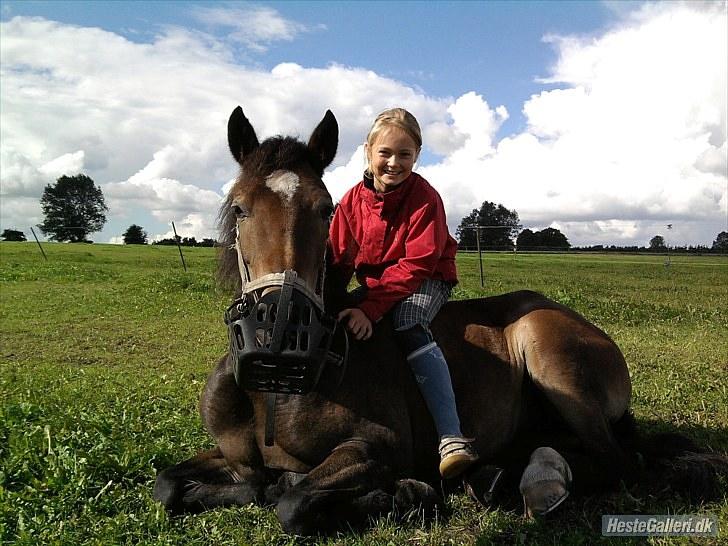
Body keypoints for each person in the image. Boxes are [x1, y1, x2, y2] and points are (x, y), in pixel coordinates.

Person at [328, 107, 478, 479]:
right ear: (368, 151)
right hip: (379, 284)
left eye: (405, 154)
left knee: (407, 319)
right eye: (386, 153)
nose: (394, 163)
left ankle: (450, 436)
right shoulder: (350, 201)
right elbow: (340, 258)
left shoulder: (426, 198)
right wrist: (331, 297)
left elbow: (417, 264)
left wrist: (371, 308)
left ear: (417, 155)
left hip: (427, 279)